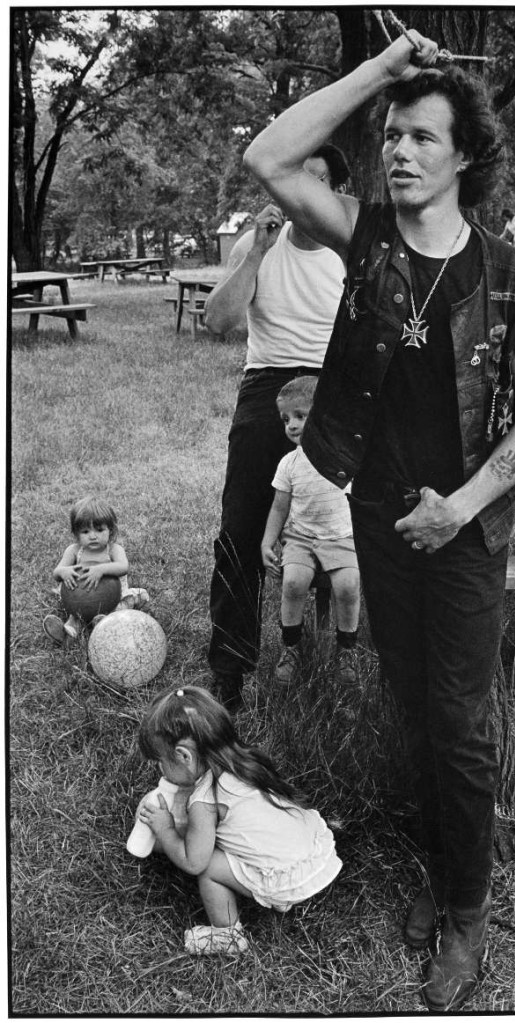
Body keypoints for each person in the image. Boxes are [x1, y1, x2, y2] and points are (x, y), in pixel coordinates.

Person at [242, 30, 515, 1011]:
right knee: (413, 704)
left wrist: (461, 505)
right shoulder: (368, 240)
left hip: (464, 530)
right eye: (390, 135)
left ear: (462, 154)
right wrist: (384, 70)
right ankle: (440, 864)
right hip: (381, 521)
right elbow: (267, 159)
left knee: (460, 720)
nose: (398, 151)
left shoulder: (512, 277)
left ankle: (465, 910)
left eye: (422, 136)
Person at [203, 144, 351, 714]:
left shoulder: (349, 254)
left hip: (333, 385)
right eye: (293, 178)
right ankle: (231, 664)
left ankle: (340, 646)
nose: (301, 192)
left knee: (342, 521)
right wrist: (256, 253)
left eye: (316, 180)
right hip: (267, 383)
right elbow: (218, 321)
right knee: (241, 526)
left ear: (336, 190)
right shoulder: (259, 244)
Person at [135, 685, 342, 955]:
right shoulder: (243, 760)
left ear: (184, 756)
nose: (159, 769)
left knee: (209, 865)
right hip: (316, 852)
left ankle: (227, 936)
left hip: (285, 879)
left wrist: (165, 830)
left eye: (160, 761)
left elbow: (193, 861)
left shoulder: (204, 800)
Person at [261, 376, 360, 686]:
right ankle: (291, 648)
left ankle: (346, 652)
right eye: (286, 418)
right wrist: (268, 541)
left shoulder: (346, 457)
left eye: (300, 416)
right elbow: (279, 506)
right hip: (300, 538)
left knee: (347, 585)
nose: (291, 424)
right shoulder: (289, 464)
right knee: (293, 583)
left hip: (341, 537)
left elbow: (364, 500)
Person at [43, 495, 149, 644]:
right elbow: (56, 573)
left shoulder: (113, 549)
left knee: (118, 610)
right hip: (80, 600)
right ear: (76, 533)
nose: (93, 536)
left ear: (110, 531)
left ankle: (103, 624)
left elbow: (123, 567)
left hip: (112, 598)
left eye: (99, 530)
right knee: (75, 616)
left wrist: (101, 570)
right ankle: (66, 634)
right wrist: (64, 572)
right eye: (85, 532)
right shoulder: (73, 550)